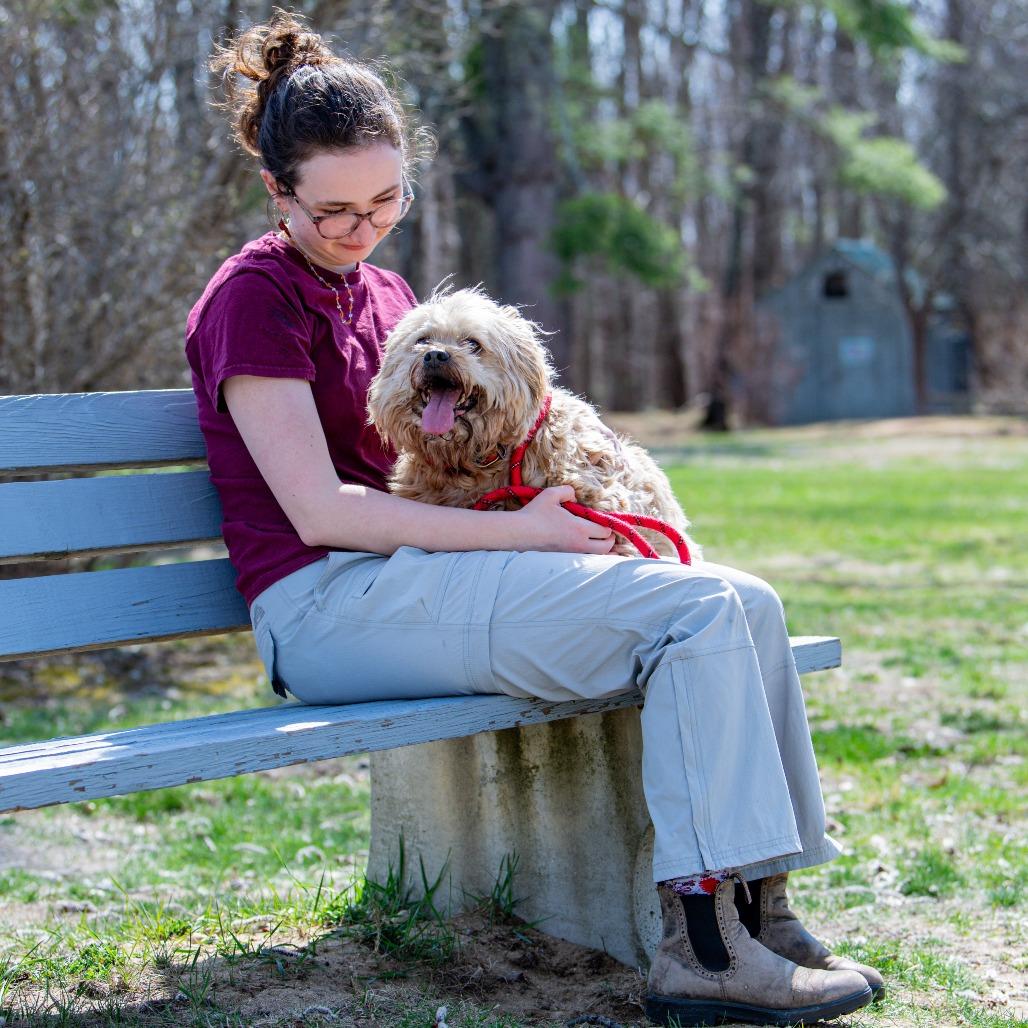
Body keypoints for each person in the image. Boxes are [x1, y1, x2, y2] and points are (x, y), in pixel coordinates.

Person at [185, 11, 884, 1026]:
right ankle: (698, 946)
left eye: (385, 201)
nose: (362, 229)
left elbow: (448, 444)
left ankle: (759, 906)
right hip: (327, 605)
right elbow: (320, 510)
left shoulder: (384, 291)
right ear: (275, 190)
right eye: (332, 210)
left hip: (422, 580)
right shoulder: (252, 299)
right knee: (690, 614)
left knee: (746, 598)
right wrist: (529, 530)